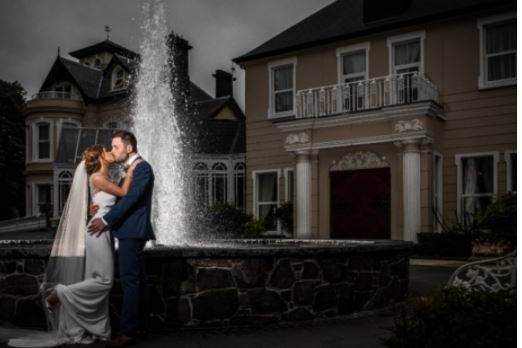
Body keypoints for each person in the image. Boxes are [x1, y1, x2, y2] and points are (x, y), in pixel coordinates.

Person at [7, 144, 141, 347]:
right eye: (107, 150)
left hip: (101, 231)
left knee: (95, 278)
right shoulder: (97, 177)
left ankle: (99, 330)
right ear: (100, 157)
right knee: (104, 281)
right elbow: (123, 192)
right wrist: (132, 170)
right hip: (98, 232)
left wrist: (95, 207)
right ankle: (59, 293)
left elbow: (105, 203)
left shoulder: (102, 177)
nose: (111, 152)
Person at [88, 130, 155, 347]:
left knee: (130, 281)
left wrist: (106, 220)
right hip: (128, 231)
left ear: (129, 148)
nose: (112, 150)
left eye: (116, 146)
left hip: (132, 231)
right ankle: (141, 327)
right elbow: (121, 198)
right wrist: (100, 205)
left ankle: (128, 333)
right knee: (138, 282)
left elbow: (131, 201)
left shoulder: (142, 168)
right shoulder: (128, 169)